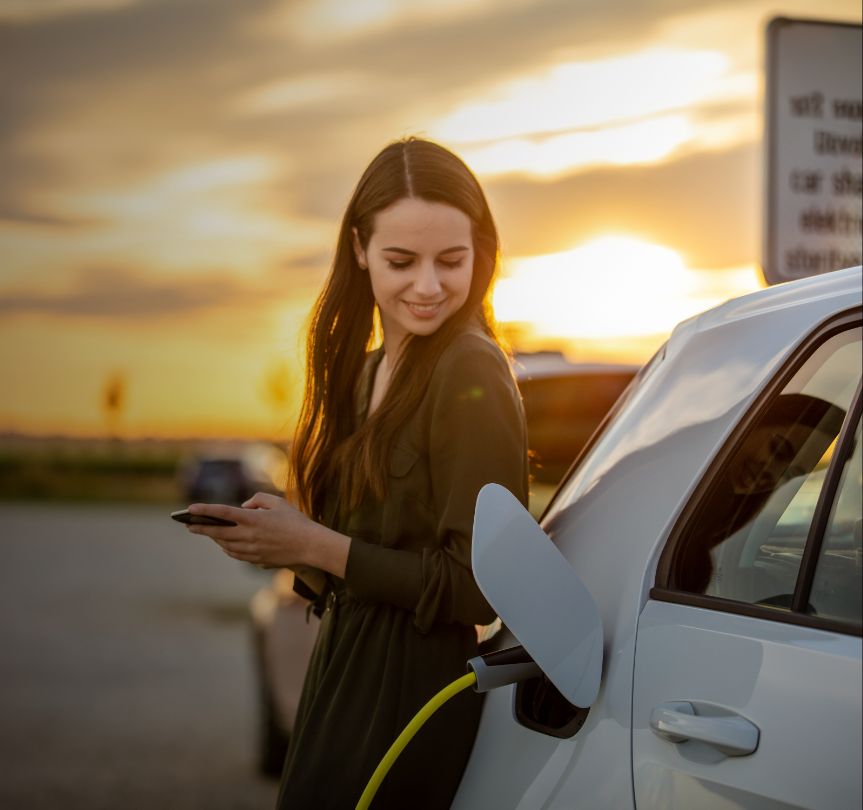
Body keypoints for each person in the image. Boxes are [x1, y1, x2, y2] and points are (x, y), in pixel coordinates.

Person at [184, 137, 530, 809]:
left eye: (450, 261)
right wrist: (280, 540)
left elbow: (476, 589)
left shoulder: (469, 369)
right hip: (339, 675)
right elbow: (353, 563)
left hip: (411, 697)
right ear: (358, 250)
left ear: (479, 256)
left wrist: (314, 546)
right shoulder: (363, 373)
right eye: (401, 261)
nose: (428, 286)